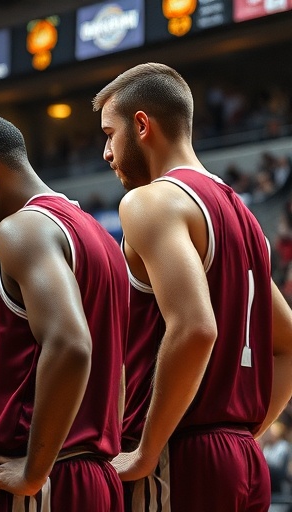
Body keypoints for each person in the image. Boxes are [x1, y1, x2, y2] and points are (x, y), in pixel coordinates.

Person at [93, 62, 292, 511]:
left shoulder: (149, 202)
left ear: (141, 124)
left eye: (109, 134)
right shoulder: (246, 220)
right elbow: (288, 343)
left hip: (177, 456)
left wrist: (145, 450)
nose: (106, 152)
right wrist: (246, 431)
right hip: (240, 457)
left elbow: (196, 327)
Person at [0, 112, 127, 511]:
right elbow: (114, 371)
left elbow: (70, 345)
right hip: (87, 476)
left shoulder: (22, 230)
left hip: (34, 484)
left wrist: (34, 469)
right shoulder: (98, 237)